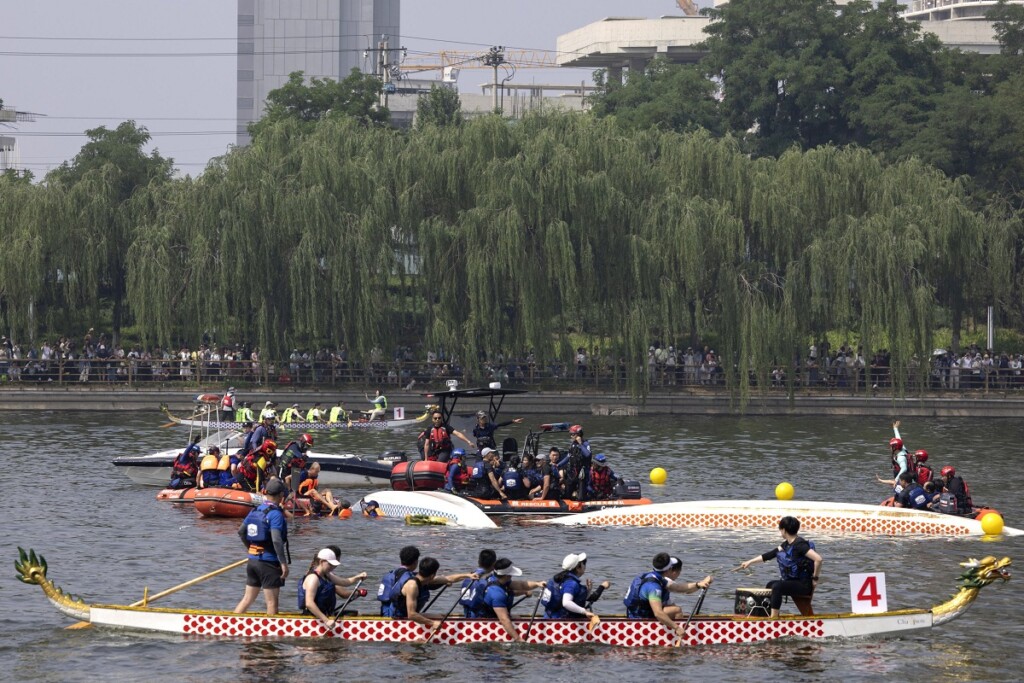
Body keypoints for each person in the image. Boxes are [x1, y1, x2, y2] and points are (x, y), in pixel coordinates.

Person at [738, 516, 823, 618]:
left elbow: (818, 559)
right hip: (793, 582)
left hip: (803, 584)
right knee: (770, 584)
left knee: (777, 587)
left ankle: (773, 619)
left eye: (780, 529)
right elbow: (770, 555)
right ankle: (768, 613)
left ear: (784, 530)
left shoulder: (800, 545)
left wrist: (815, 579)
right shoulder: (786, 544)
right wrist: (749, 562)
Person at [624, 553, 712, 640]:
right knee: (676, 610)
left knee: (671, 606)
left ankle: (673, 629)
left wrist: (699, 584)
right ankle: (677, 637)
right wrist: (677, 628)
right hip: (640, 620)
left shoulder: (653, 576)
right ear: (669, 570)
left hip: (635, 613)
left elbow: (678, 588)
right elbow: (658, 613)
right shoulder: (654, 587)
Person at [234, 478, 289, 615]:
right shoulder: (276, 514)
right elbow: (276, 540)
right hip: (269, 563)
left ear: (265, 492)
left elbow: (241, 532)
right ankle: (272, 635)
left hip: (253, 562)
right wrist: (283, 563)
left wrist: (251, 549)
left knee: (247, 599)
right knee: (272, 603)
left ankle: (231, 624)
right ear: (281, 495)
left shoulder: (255, 510)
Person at [478, 558, 546, 642]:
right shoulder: (497, 594)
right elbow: (504, 619)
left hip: (494, 614)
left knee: (517, 617)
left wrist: (537, 584)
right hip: (488, 623)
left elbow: (521, 585)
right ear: (507, 575)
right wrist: (518, 639)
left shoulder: (496, 578)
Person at [298, 547, 368, 627]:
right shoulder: (313, 578)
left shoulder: (327, 575)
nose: (333, 567)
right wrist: (326, 621)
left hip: (327, 614)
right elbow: (309, 603)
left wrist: (358, 577)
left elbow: (344, 582)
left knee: (357, 614)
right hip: (313, 618)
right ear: (321, 562)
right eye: (330, 564)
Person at [542, 552, 609, 620]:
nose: (585, 566)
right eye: (584, 563)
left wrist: (588, 590)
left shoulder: (559, 579)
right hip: (561, 622)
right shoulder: (571, 583)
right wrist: (584, 611)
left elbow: (573, 598)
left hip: (549, 617)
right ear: (577, 568)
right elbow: (566, 603)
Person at [459, 549, 496, 617]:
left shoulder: (468, 577)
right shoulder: (491, 581)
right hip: (481, 618)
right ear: (494, 564)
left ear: (479, 562)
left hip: (467, 615)